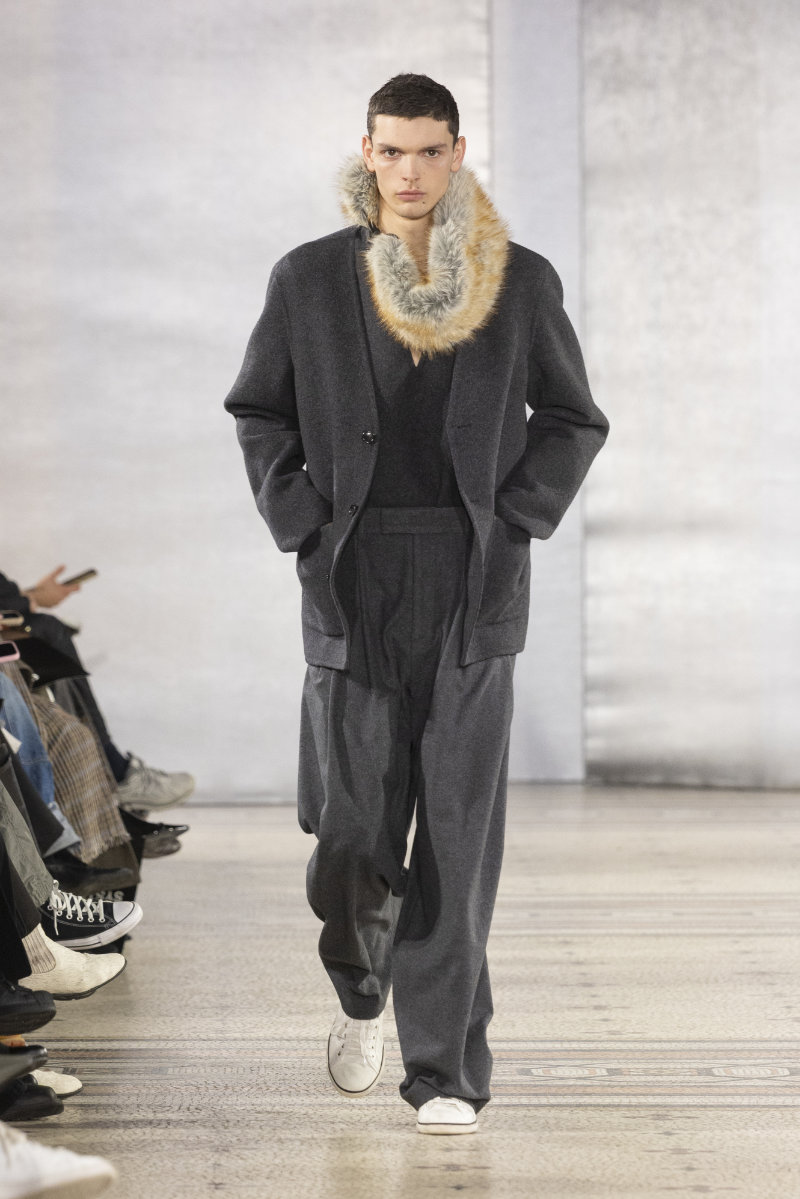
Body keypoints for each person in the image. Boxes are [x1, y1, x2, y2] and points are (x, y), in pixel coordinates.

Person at [224, 73, 609, 1135]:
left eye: (428, 151)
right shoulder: (310, 278)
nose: (408, 171)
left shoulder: (516, 280)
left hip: (471, 580)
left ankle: (444, 1069)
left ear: (456, 153)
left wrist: (516, 517)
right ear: (367, 152)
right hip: (350, 576)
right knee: (351, 829)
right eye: (390, 151)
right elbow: (258, 408)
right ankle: (361, 986)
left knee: (455, 832)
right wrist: (303, 524)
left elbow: (573, 417)